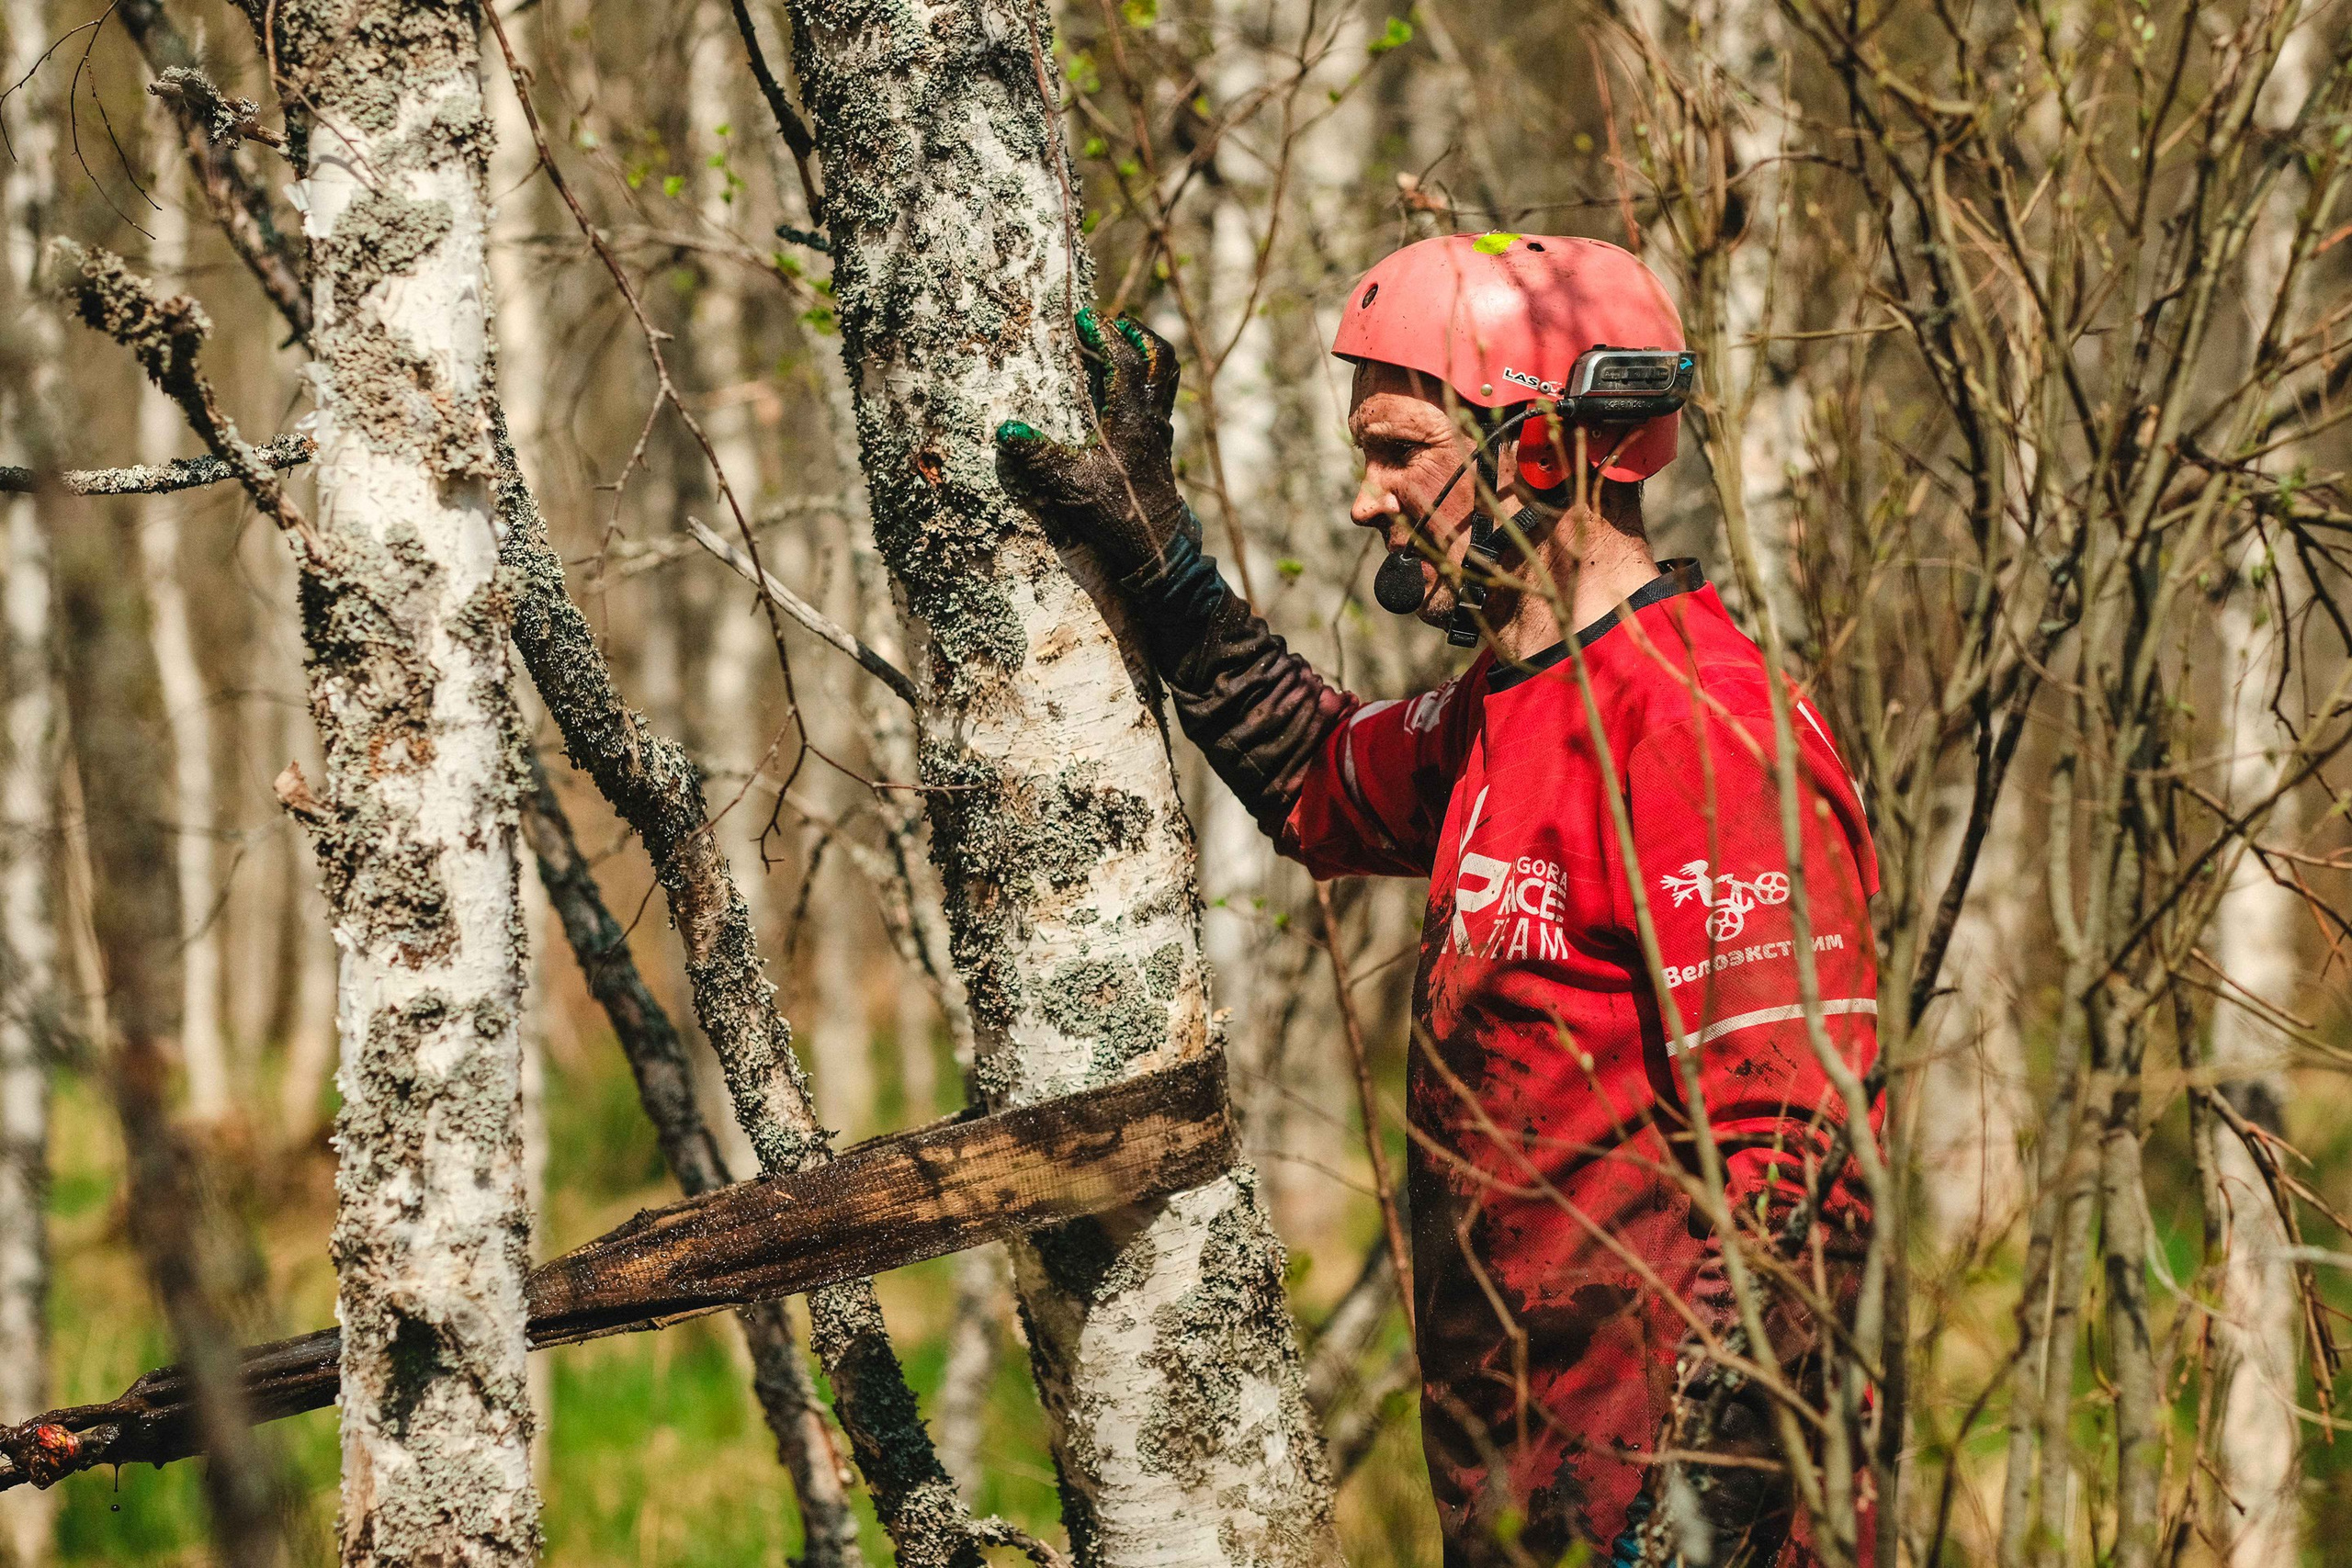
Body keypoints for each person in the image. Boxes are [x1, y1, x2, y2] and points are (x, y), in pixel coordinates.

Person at [997, 233, 1882, 1567]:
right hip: (1528, 1504)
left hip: (1683, 1521)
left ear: (1544, 451)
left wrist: (1700, 1515)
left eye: (1400, 449)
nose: (1367, 500)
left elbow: (1799, 1192)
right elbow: (1312, 774)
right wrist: (1161, 556)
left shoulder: (1706, 737)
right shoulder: (1503, 715)